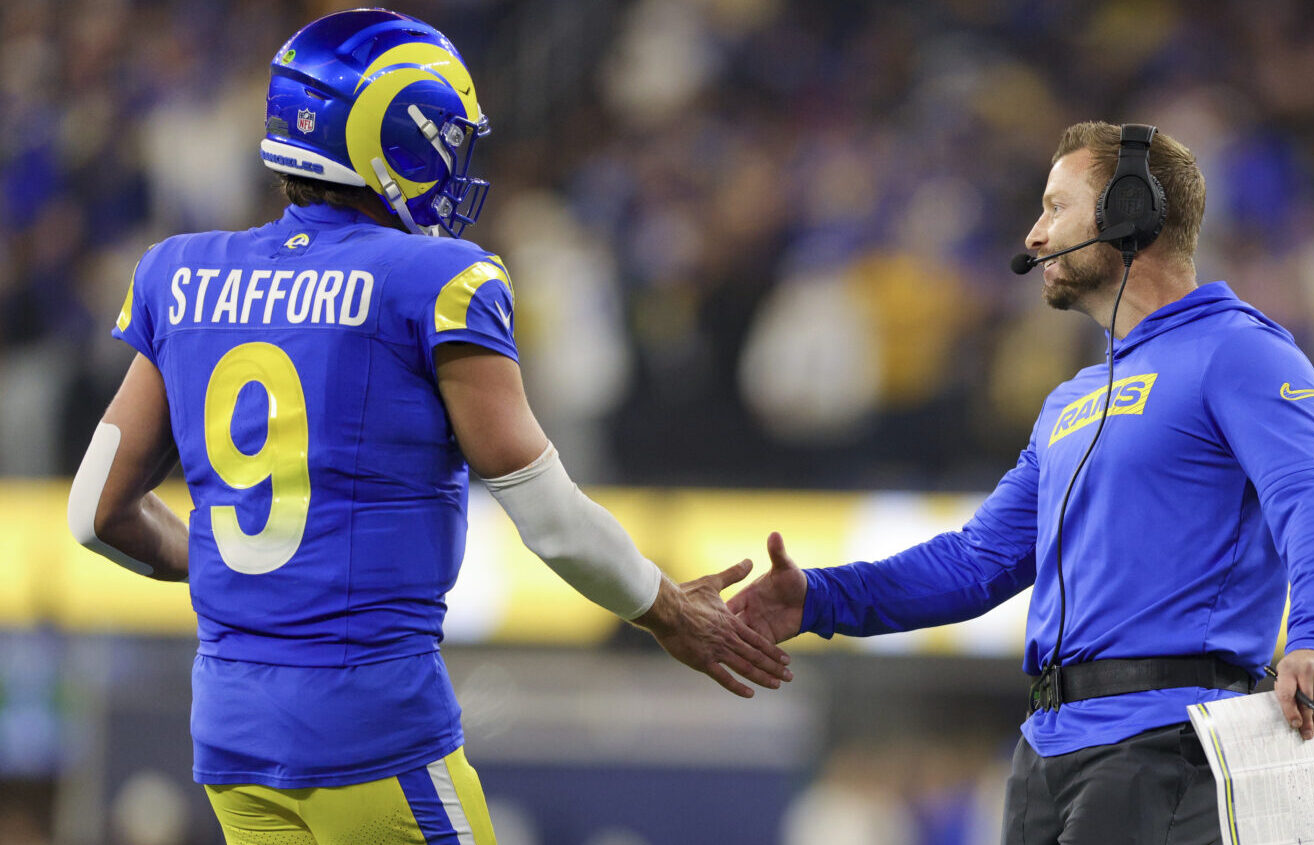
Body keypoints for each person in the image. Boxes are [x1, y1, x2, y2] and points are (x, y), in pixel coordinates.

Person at [65, 9, 791, 843]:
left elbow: (97, 511)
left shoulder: (180, 273)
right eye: (442, 134)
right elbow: (550, 521)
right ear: (388, 135)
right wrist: (666, 609)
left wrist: (247, 576)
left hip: (230, 732)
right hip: (371, 729)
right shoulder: (434, 279)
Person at [728, 121, 1314, 843]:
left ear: (1130, 210)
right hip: (1046, 755)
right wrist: (821, 597)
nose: (1033, 235)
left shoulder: (1240, 350)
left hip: (1174, 741)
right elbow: (977, 561)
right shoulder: (1070, 402)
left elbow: (1312, 498)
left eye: (1055, 206)